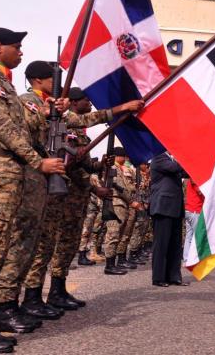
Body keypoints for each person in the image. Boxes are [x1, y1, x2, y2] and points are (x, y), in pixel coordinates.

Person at [0, 29, 66, 353]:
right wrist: (39, 161)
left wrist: (50, 111)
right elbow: (4, 129)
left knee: (2, 249)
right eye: (16, 46)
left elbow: (20, 126)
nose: (21, 51)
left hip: (8, 171)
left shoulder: (5, 84)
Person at [20, 82, 132, 317]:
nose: (88, 103)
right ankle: (32, 296)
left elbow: (81, 162)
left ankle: (58, 290)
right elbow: (67, 164)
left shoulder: (74, 128)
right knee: (46, 244)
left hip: (74, 195)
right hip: (58, 191)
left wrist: (99, 165)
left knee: (67, 243)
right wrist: (92, 184)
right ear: (73, 101)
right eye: (85, 100)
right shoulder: (51, 119)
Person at [149, 152, 187, 287]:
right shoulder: (159, 157)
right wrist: (185, 158)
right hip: (163, 207)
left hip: (175, 208)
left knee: (175, 245)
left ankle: (174, 276)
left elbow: (186, 173)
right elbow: (176, 168)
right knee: (161, 244)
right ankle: (158, 277)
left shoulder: (172, 160)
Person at [102, 148, 142, 275]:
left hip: (121, 203)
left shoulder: (120, 168)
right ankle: (109, 265)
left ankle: (115, 262)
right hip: (115, 203)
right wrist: (131, 201)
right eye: (123, 156)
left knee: (119, 234)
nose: (125, 159)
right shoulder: (113, 168)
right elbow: (119, 187)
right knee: (113, 234)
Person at [182, 178, 204, 268]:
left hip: (188, 209)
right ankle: (194, 259)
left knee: (189, 236)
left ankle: (186, 258)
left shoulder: (188, 180)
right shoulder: (195, 179)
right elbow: (200, 192)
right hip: (195, 210)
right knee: (197, 236)